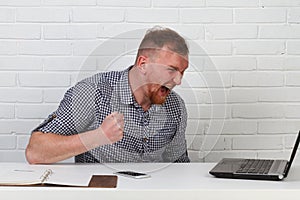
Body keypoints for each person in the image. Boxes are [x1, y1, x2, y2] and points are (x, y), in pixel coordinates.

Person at [25, 26, 190, 164]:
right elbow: (35, 152)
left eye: (182, 72)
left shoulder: (175, 106)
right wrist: (98, 136)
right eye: (171, 69)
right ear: (143, 64)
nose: (178, 80)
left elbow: (179, 166)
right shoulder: (92, 92)